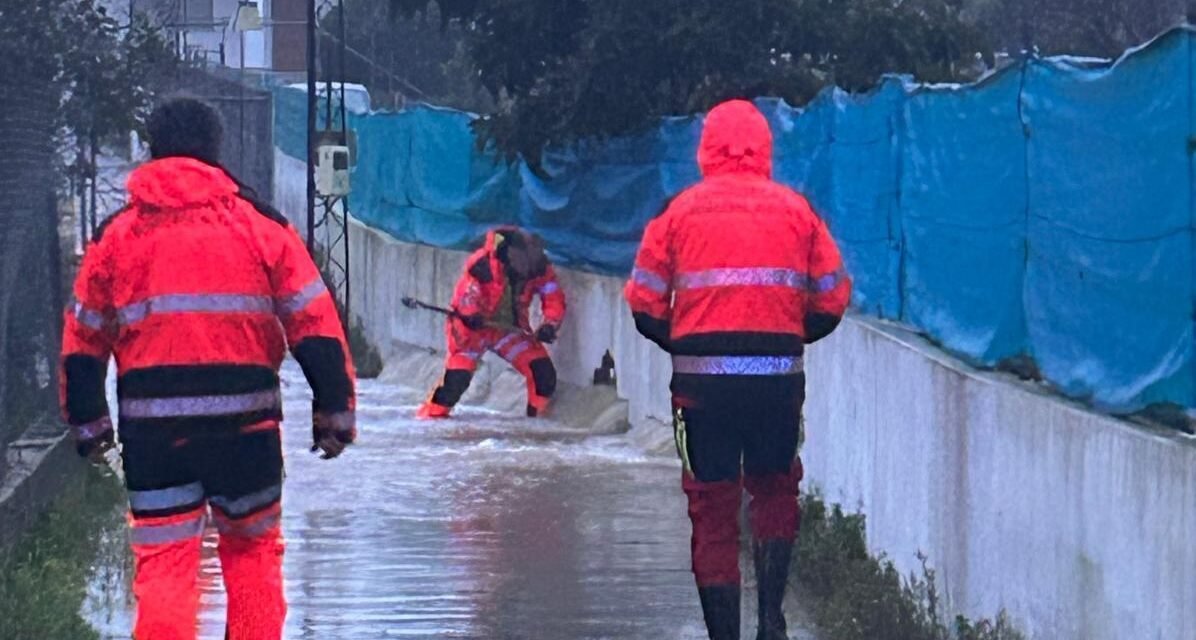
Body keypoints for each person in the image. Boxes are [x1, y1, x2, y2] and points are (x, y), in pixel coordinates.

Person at [60, 97, 357, 640]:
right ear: (216, 151)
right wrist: (335, 412)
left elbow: (82, 338)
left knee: (167, 564)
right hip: (246, 431)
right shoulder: (263, 227)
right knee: (252, 558)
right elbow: (315, 324)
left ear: (152, 150)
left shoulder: (116, 237)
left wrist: (90, 425)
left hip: (154, 434)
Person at [624, 99, 851, 640]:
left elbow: (644, 305)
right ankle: (771, 620)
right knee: (776, 491)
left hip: (702, 390)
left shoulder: (676, 212)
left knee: (711, 508)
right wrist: (788, 338)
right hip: (777, 383)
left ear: (705, 148)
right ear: (765, 147)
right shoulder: (798, 210)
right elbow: (833, 298)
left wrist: (685, 346)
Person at [418, 226, 566, 419]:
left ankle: (535, 423)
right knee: (456, 381)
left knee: (543, 375)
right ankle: (430, 419)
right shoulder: (482, 265)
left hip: (509, 332)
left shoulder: (539, 268)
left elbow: (553, 298)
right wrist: (471, 315)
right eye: (528, 256)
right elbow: (468, 295)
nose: (533, 263)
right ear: (513, 253)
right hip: (471, 333)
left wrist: (550, 325)